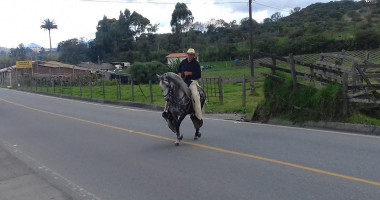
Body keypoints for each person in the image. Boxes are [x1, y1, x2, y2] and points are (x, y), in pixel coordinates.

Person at [177, 48, 202, 120]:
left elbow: (199, 75)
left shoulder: (196, 64)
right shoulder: (183, 62)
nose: (190, 56)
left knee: (195, 96)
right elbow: (179, 71)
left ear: (194, 55)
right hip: (182, 81)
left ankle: (198, 116)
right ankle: (167, 110)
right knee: (171, 90)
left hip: (192, 82)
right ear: (187, 55)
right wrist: (180, 76)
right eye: (189, 54)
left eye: (192, 55)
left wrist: (190, 73)